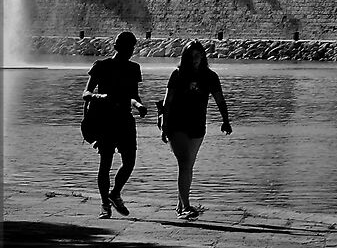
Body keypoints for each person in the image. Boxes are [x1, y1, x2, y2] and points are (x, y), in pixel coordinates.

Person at [160, 41, 233, 219]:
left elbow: (219, 99)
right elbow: (167, 101)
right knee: (184, 163)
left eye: (198, 55)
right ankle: (186, 206)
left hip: (198, 125)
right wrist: (164, 124)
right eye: (191, 56)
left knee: (188, 166)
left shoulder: (210, 76)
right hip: (176, 124)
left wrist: (225, 120)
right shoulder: (177, 75)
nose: (195, 59)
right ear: (185, 57)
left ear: (203, 56)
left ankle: (180, 204)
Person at [81, 31, 146, 217]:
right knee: (106, 162)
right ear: (117, 47)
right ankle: (104, 204)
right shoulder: (101, 66)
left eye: (132, 47)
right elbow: (86, 93)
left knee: (130, 161)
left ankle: (115, 192)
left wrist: (139, 105)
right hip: (105, 120)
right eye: (127, 47)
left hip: (125, 119)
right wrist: (98, 96)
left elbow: (133, 95)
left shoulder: (134, 68)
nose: (130, 51)